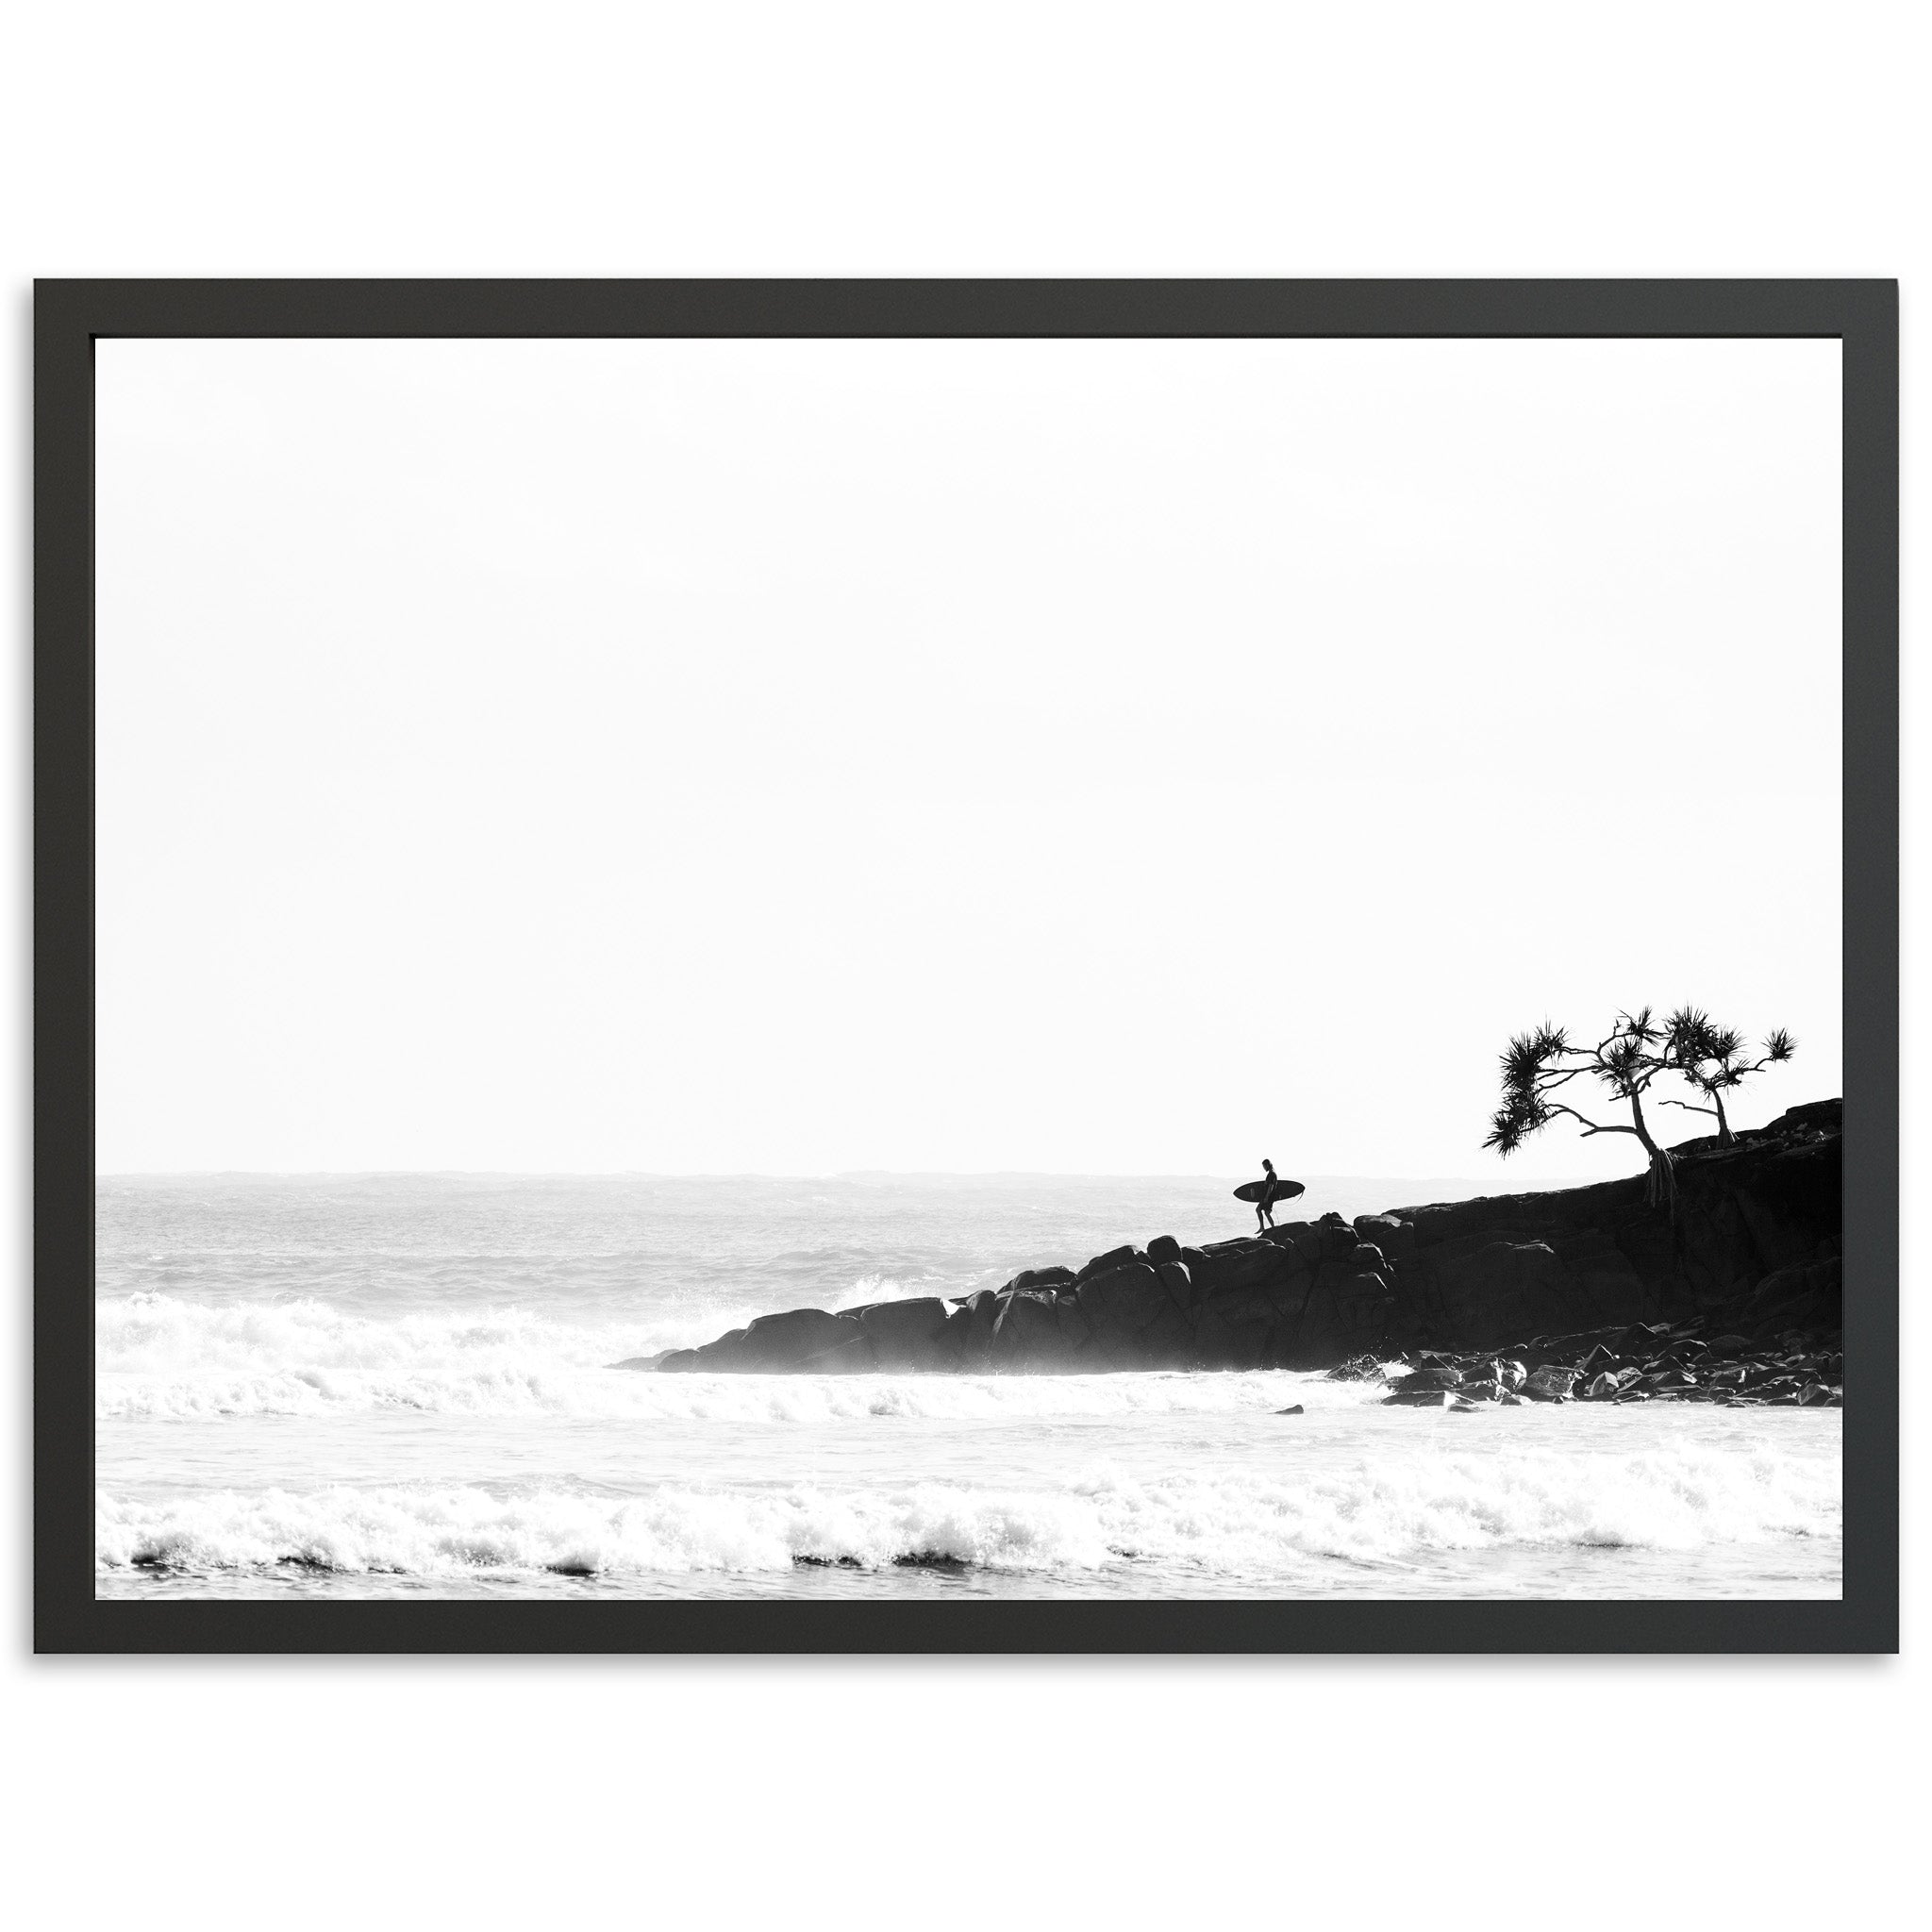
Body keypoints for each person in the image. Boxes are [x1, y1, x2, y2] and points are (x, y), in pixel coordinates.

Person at [1255, 1158, 1281, 1233]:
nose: (1264, 1168)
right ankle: (1270, 1228)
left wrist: (1266, 1197)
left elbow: (1271, 1186)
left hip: (1268, 1197)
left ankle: (1266, 1227)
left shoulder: (1271, 1174)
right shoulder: (1271, 1173)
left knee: (1259, 1210)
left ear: (1267, 1165)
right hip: (1269, 1196)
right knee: (1266, 1212)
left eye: (1264, 1166)